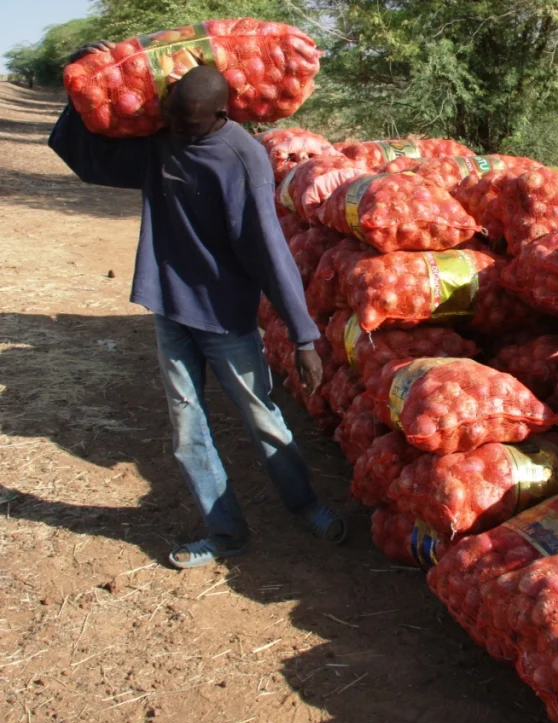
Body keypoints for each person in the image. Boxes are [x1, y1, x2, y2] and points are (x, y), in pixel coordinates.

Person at [49, 45, 346, 569]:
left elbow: (268, 248)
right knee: (187, 430)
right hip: (170, 305)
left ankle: (306, 505)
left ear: (222, 115)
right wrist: (79, 90)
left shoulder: (242, 158)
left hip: (226, 313)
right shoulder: (163, 142)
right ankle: (225, 531)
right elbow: (86, 158)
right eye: (174, 122)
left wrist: (304, 338)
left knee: (261, 416)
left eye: (190, 126)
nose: (181, 134)